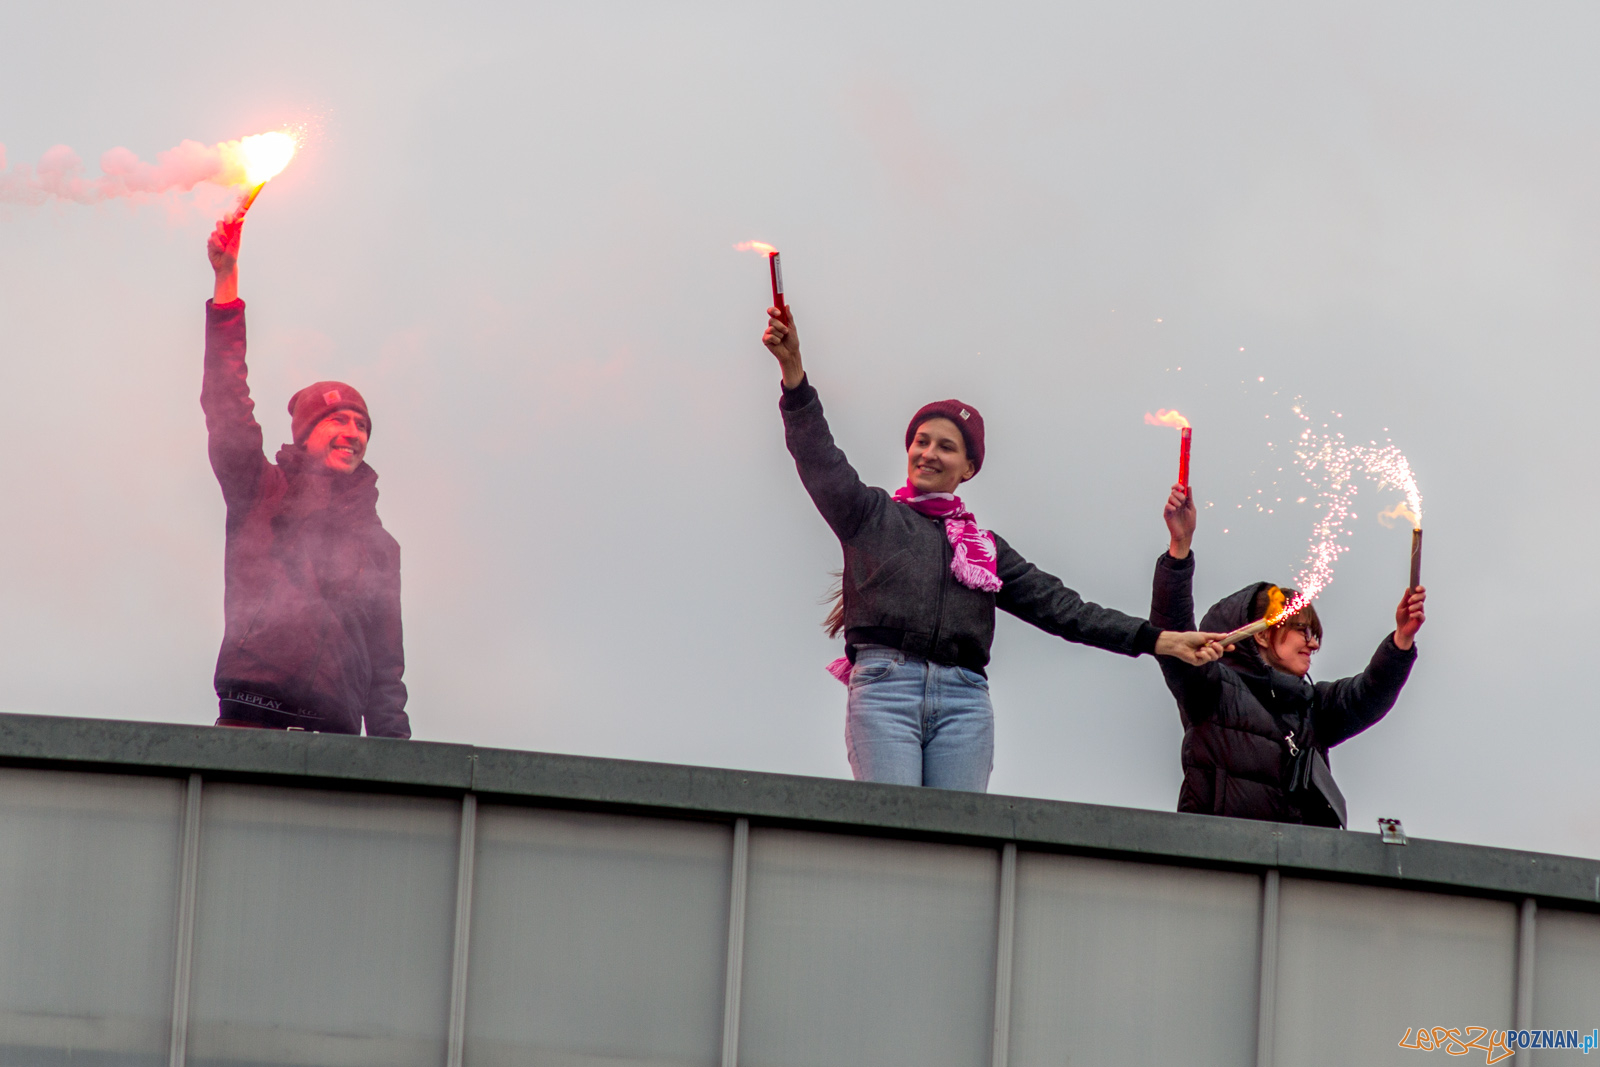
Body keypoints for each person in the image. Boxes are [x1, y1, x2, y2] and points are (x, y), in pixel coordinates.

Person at [762, 305, 1224, 792]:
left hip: (964, 702)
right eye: (921, 441)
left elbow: (1065, 610)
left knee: (959, 847)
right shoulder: (870, 515)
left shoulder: (984, 549)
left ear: (968, 468)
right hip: (885, 691)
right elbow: (818, 457)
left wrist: (1159, 639)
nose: (928, 453)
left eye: (945, 446)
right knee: (892, 831)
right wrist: (794, 375)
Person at [200, 212, 410, 737]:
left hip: (333, 739)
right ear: (305, 433)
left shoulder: (380, 546)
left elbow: (387, 671)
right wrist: (226, 283)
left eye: (362, 424)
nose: (353, 432)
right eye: (338, 419)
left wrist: (404, 771)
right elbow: (227, 405)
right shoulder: (260, 489)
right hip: (249, 720)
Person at [1150, 482, 1424, 825]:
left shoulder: (1313, 706)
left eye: (1316, 635)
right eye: (1303, 631)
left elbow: (1368, 694)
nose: (1314, 644)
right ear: (1263, 635)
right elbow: (1173, 635)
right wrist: (1180, 546)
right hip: (1222, 863)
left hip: (1298, 865)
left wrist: (1401, 640)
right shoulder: (1212, 690)